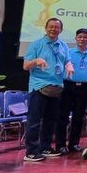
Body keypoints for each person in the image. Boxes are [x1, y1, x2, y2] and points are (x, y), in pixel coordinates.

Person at [22, 18, 75, 161]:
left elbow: (67, 60)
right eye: (51, 27)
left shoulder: (63, 45)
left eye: (56, 27)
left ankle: (45, 147)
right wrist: (36, 61)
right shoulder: (36, 45)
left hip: (56, 88)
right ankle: (31, 151)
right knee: (34, 121)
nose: (53, 29)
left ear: (61, 30)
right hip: (39, 87)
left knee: (50, 120)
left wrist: (69, 65)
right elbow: (26, 66)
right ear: (45, 28)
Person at [56, 28, 87, 155]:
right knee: (63, 116)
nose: (82, 39)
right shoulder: (68, 52)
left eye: (85, 37)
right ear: (75, 38)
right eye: (80, 37)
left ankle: (74, 144)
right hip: (67, 86)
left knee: (79, 117)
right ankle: (60, 145)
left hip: (83, 87)